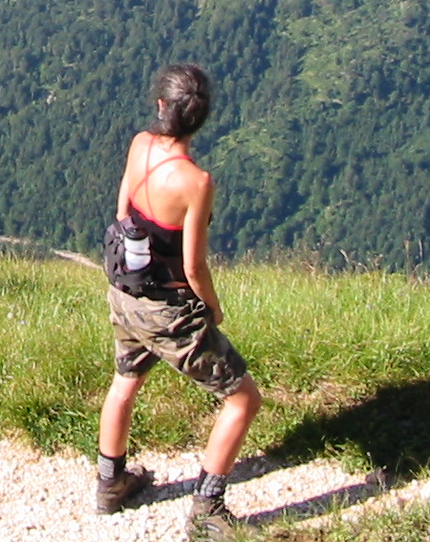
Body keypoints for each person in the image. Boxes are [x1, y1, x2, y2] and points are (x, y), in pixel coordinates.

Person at [94, 63, 262, 540]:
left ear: (161, 106)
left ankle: (110, 485)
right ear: (201, 118)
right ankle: (207, 510)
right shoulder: (197, 182)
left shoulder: (139, 145)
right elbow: (193, 266)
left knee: (124, 382)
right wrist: (212, 308)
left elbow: (123, 212)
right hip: (167, 310)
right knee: (242, 399)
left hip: (125, 292)